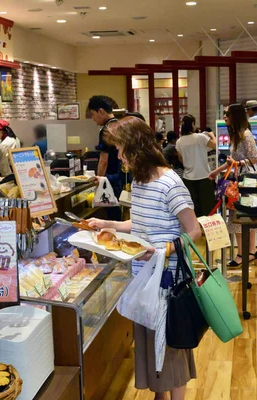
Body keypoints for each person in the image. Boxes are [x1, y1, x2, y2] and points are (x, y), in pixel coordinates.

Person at [87, 116, 201, 400]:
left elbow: (194, 231)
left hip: (168, 280)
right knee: (151, 344)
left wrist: (163, 249)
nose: (118, 155)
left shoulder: (170, 183)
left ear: (135, 148)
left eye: (120, 148)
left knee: (170, 345)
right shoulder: (138, 181)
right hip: (142, 277)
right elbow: (139, 226)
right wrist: (109, 225)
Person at [209, 104, 257, 267]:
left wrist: (237, 162)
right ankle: (251, 251)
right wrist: (216, 171)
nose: (224, 117)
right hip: (240, 182)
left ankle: (242, 253)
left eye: (227, 114)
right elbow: (231, 161)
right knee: (244, 217)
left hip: (245, 183)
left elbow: (254, 158)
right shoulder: (237, 135)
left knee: (238, 217)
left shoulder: (246, 135)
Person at [176, 114, 217, 217]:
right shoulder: (201, 137)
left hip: (188, 178)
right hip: (204, 176)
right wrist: (211, 135)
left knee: (193, 208)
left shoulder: (179, 142)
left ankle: (196, 230)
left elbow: (181, 159)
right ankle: (207, 231)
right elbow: (216, 145)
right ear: (193, 124)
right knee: (208, 208)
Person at [88, 95, 121, 221]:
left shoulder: (106, 130)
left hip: (110, 181)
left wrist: (99, 181)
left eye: (92, 114)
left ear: (101, 111)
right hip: (121, 178)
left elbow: (103, 161)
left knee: (112, 217)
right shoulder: (119, 125)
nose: (93, 119)